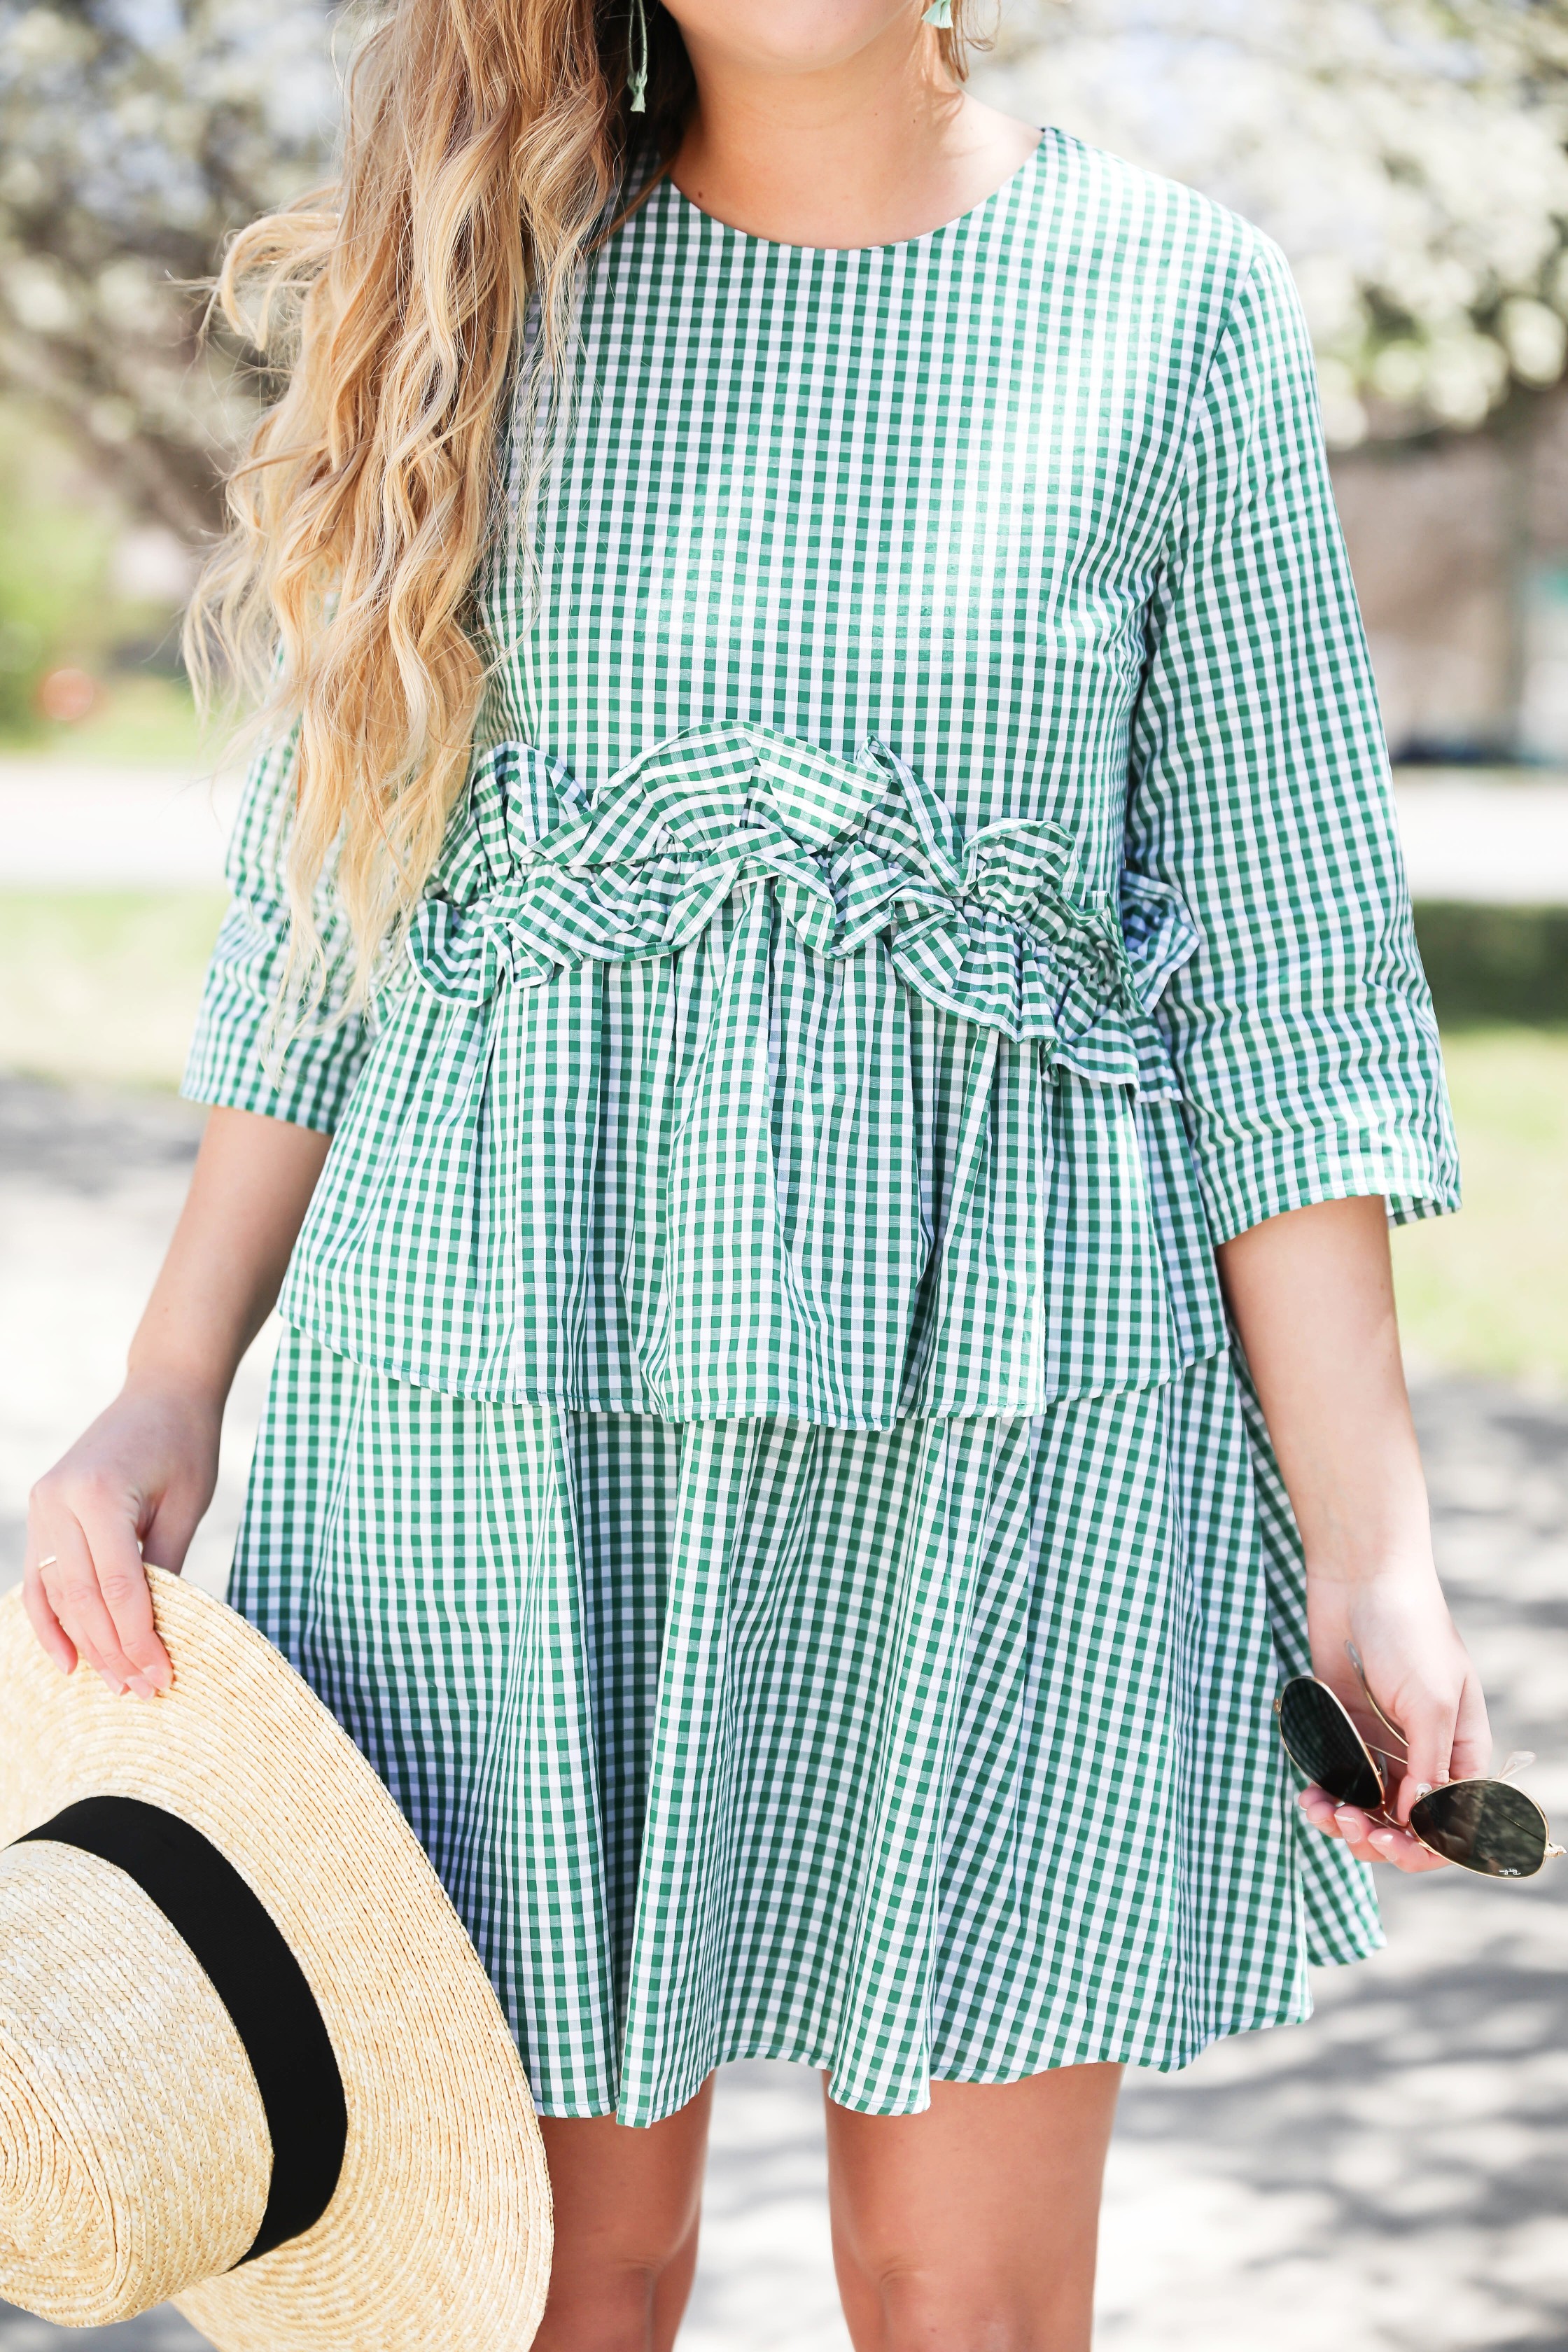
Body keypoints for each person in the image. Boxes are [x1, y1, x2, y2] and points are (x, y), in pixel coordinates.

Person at [24, 3, 1488, 2345]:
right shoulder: (480, 287)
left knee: (965, 2308)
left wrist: (1379, 1552)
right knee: (542, 2296)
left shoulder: (1173, 306)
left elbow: (1290, 972)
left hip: (1009, 1428)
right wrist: (170, 1375)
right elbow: (328, 897)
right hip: (500, 1412)